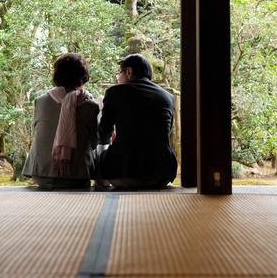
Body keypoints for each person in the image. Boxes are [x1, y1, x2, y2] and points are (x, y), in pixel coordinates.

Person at [97, 54, 178, 188]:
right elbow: (166, 133)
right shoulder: (168, 97)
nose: (118, 78)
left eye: (119, 73)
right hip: (161, 175)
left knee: (101, 147)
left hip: (120, 174)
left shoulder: (114, 92)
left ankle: (102, 185)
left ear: (129, 72)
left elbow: (104, 132)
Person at [23, 53, 100, 188]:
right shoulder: (91, 106)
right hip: (78, 175)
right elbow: (94, 142)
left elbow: (36, 134)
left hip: (41, 174)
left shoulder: (40, 101)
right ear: (83, 77)